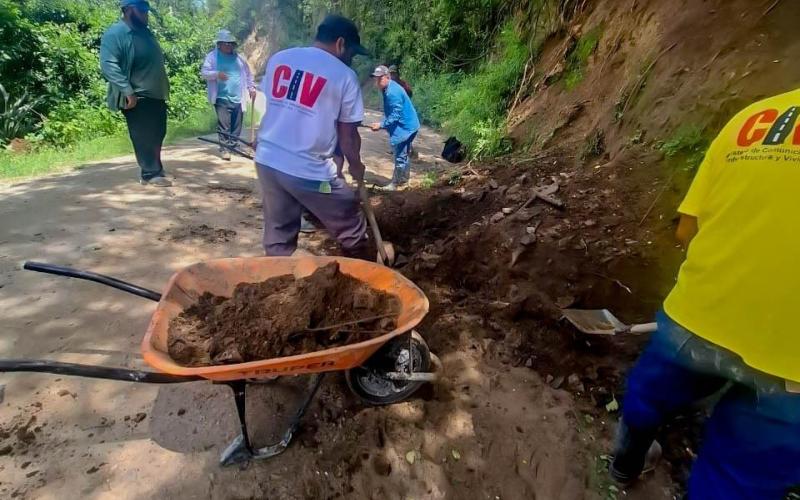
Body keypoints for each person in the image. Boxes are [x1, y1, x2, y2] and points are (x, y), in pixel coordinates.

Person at [611, 89, 800, 499]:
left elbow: (686, 230)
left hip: (697, 317)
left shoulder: (752, 117)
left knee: (650, 394)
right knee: (739, 474)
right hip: (791, 363)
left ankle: (624, 465)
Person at [254, 15, 374, 259]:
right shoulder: (344, 76)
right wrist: (356, 166)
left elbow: (271, 107)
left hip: (267, 162)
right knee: (349, 218)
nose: (351, 59)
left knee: (279, 238)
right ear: (340, 44)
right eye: (352, 53)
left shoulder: (280, 58)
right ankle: (364, 272)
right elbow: (348, 136)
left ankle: (276, 276)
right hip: (307, 170)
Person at [100, 0, 171, 187]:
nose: (146, 15)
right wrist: (127, 90)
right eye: (143, 11)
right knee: (144, 135)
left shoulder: (145, 33)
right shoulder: (116, 33)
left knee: (158, 132)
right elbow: (108, 64)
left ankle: (156, 168)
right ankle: (150, 173)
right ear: (129, 10)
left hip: (156, 94)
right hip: (137, 95)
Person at [201, 29, 256, 161]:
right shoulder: (212, 57)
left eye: (231, 43)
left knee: (236, 124)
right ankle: (224, 148)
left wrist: (251, 87)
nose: (229, 46)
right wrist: (217, 74)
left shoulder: (240, 58)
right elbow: (204, 73)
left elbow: (248, 74)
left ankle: (233, 146)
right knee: (224, 124)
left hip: (238, 96)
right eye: (226, 43)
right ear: (219, 44)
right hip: (221, 96)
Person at [370, 65, 420, 191]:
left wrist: (381, 125)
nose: (377, 81)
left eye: (380, 78)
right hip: (410, 125)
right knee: (404, 153)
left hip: (405, 127)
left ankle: (395, 184)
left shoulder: (392, 92)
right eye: (376, 78)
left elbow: (395, 115)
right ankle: (404, 180)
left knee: (400, 155)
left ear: (387, 77)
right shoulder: (389, 87)